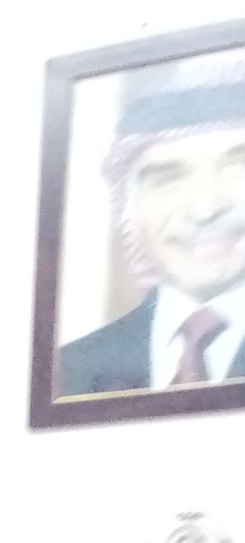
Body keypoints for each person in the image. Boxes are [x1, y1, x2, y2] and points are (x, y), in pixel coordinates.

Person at [58, 65, 245, 396]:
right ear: (129, 208)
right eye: (168, 180)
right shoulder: (69, 369)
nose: (204, 209)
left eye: (236, 170)